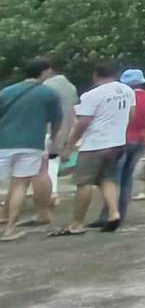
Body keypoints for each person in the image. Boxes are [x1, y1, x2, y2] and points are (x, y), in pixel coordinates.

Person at [54, 63, 134, 236]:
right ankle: (114, 213)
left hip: (95, 144)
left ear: (95, 75)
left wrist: (70, 145)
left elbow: (83, 122)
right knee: (107, 179)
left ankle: (77, 223)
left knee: (84, 183)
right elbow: (131, 115)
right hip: (117, 142)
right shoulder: (128, 91)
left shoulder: (92, 95)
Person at [0, 59, 64, 241]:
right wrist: (54, 137)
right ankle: (10, 228)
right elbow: (56, 120)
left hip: (3, 142)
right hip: (31, 143)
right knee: (20, 184)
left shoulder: (7, 91)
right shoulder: (49, 93)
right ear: (44, 72)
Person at [91, 68, 145, 226]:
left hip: (122, 140)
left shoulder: (125, 96)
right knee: (127, 179)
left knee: (111, 179)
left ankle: (109, 214)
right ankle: (121, 213)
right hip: (140, 140)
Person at [40, 60, 77, 205]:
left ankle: (46, 194)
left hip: (44, 131)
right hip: (62, 132)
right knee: (52, 163)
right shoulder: (71, 87)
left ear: (49, 70)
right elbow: (72, 112)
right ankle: (53, 192)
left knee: (40, 165)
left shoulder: (45, 86)